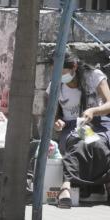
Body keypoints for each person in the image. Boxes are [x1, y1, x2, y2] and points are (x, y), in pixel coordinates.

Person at [47, 50, 110, 208]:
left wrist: (93, 111)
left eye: (62, 71)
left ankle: (69, 186)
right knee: (79, 142)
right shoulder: (54, 86)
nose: (59, 76)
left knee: (96, 143)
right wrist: (58, 123)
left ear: (74, 66)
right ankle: (67, 186)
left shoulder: (94, 76)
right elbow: (54, 115)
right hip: (73, 127)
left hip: (99, 123)